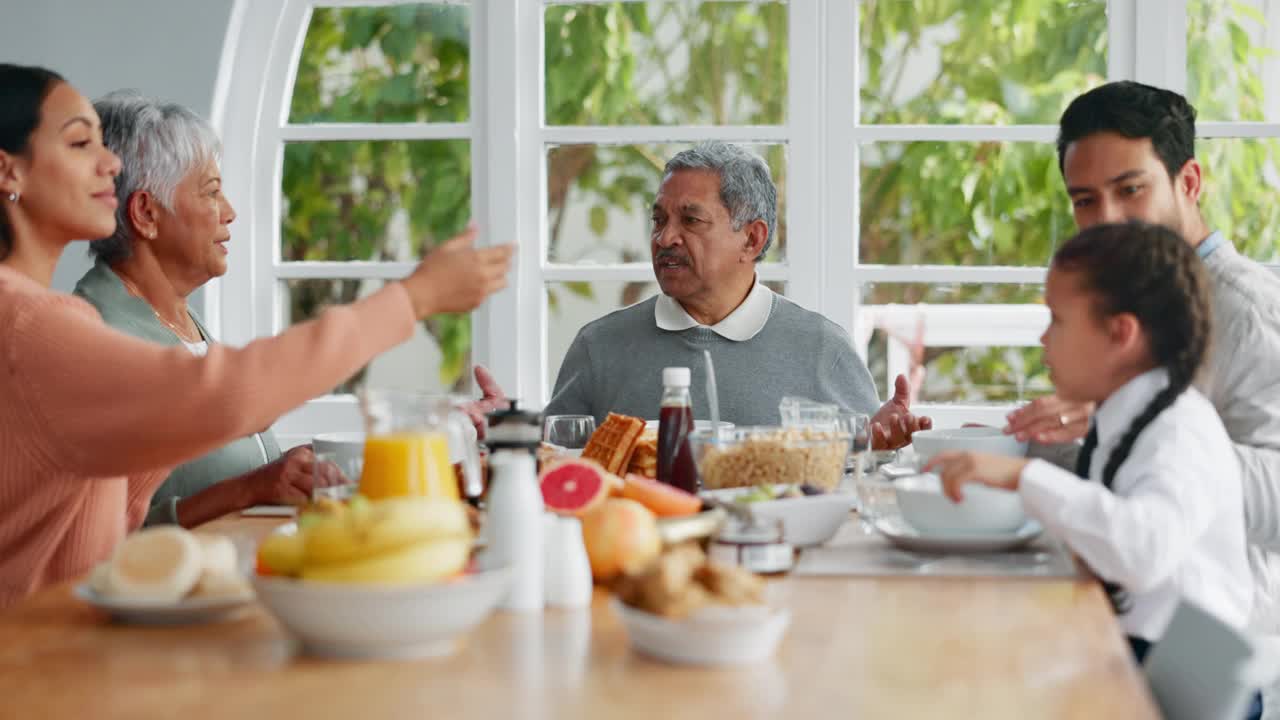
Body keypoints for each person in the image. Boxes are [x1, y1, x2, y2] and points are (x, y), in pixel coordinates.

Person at [0, 64, 512, 605]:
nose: (109, 164)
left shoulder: (43, 319)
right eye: (80, 143)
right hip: (35, 668)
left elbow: (112, 522)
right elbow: (220, 394)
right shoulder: (31, 327)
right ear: (9, 173)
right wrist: (413, 299)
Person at [926, 222, 1261, 718]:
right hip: (1141, 655)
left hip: (1178, 685)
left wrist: (1022, 478)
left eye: (1057, 321)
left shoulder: (1178, 429)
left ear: (1119, 333)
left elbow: (1142, 551)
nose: (1043, 338)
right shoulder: (1125, 416)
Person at [1003, 81, 1280, 642]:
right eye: (1085, 200)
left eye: (1130, 190)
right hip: (1118, 609)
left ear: (1190, 182)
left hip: (1207, 650)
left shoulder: (1248, 310)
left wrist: (1140, 423)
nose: (1108, 219)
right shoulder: (1123, 299)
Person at [544, 141, 929, 448]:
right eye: (659, 220)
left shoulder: (824, 349)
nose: (665, 238)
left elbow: (857, 477)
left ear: (752, 238)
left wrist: (879, 445)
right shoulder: (599, 346)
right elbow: (551, 464)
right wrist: (496, 433)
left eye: (690, 221)